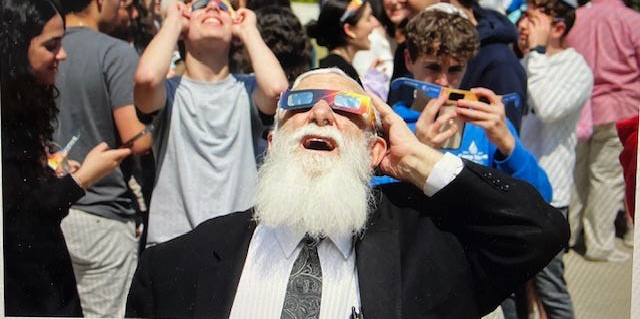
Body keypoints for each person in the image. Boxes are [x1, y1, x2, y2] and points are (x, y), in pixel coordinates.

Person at [126, 67, 569, 319]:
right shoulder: (177, 264)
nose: (321, 112)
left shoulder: (425, 251)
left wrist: (417, 160)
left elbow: (539, 231)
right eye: (300, 104)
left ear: (375, 151)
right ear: (272, 142)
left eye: (347, 108)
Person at [1, 0, 131, 317]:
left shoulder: (24, 106)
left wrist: (48, 172)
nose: (62, 55)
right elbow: (24, 218)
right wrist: (82, 178)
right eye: (51, 46)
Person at [134, 0, 288, 247]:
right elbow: (146, 78)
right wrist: (172, 22)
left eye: (223, 7)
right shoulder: (169, 91)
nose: (213, 8)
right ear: (184, 23)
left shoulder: (248, 89)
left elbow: (277, 91)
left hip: (235, 244)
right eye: (201, 5)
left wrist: (249, 30)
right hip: (172, 243)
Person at [54, 0, 152, 317]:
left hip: (52, 210)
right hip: (103, 216)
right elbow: (137, 140)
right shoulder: (115, 53)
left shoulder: (44, 46)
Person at [376, 6, 551, 203]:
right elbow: (374, 202)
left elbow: (542, 197)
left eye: (455, 69)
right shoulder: (390, 125)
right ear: (409, 60)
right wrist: (417, 154)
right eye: (433, 67)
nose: (443, 81)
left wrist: (509, 146)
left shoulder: (485, 124)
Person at [519, 0, 593, 318]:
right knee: (515, 286)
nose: (523, 24)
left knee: (549, 286)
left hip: (551, 194)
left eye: (533, 19)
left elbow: (548, 108)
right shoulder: (527, 60)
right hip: (518, 186)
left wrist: (535, 54)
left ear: (558, 27)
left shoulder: (576, 68)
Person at [401, 0, 527, 131]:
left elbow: (502, 142)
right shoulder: (408, 48)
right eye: (432, 67)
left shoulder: (499, 63)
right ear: (409, 61)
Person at [567, 0, 640, 262]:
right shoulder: (633, 21)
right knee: (607, 178)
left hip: (577, 107)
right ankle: (599, 244)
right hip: (619, 108)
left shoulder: (576, 16)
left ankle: (566, 236)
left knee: (575, 175)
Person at [307, 0, 378, 89]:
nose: (375, 24)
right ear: (349, 30)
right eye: (368, 19)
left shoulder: (334, 68)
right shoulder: (339, 75)